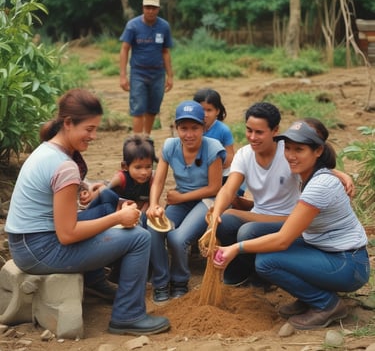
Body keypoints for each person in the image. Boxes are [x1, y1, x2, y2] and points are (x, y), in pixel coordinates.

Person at [5, 88, 170, 336]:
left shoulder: (49, 150)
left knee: (103, 205)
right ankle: (128, 316)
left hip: (26, 242)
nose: (94, 136)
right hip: (39, 249)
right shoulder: (64, 165)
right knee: (139, 237)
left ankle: (94, 281)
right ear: (69, 123)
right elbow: (68, 234)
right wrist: (117, 218)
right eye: (89, 129)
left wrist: (88, 190)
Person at [213, 118, 369, 330]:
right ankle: (310, 298)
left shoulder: (319, 185)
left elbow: (283, 240)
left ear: (318, 151)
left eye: (299, 149)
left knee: (267, 262)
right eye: (288, 148)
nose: (291, 155)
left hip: (348, 264)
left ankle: (327, 305)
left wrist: (236, 248)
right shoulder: (310, 174)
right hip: (328, 251)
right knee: (265, 249)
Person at [209, 102, 355, 286]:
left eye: (259, 132)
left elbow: (313, 165)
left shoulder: (288, 153)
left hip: (289, 219)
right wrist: (215, 214)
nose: (252, 137)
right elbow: (228, 189)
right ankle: (243, 270)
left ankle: (264, 274)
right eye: (249, 130)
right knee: (224, 220)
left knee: (245, 228)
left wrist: (337, 173)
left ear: (275, 130)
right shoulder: (245, 154)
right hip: (258, 213)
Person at [146, 100, 226, 303]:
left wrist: (181, 197)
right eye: (183, 128)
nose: (189, 134)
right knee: (154, 228)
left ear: (204, 127)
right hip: (181, 201)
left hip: (207, 201)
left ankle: (180, 281)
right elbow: (159, 181)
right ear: (176, 128)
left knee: (177, 238)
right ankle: (161, 282)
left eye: (194, 128)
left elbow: (215, 188)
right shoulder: (170, 146)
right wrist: (154, 204)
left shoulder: (213, 148)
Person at [119, 0, 173, 137]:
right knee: (138, 108)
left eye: (153, 8)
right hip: (138, 73)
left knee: (152, 108)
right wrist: (123, 76)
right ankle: (137, 142)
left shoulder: (164, 27)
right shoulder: (133, 26)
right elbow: (124, 49)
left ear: (158, 9)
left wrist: (170, 76)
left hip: (158, 74)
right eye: (147, 7)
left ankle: (146, 138)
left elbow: (165, 52)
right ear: (143, 8)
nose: (150, 11)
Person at [193, 88, 234, 184]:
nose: (205, 114)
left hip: (220, 170)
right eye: (201, 110)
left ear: (217, 111)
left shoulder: (223, 130)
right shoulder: (190, 128)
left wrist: (216, 168)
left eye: (209, 110)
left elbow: (230, 155)